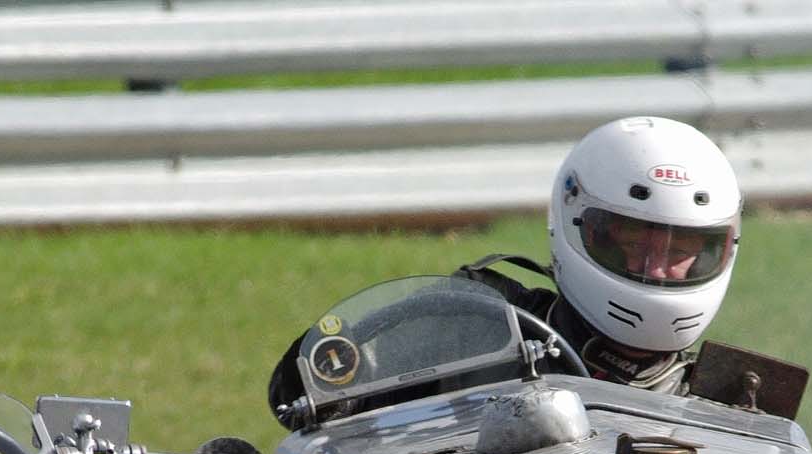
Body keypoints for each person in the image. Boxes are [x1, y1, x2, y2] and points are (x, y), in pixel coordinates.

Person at [267, 116, 741, 409]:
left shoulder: (735, 401)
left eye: (680, 251)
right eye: (635, 242)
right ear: (575, 225)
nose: (657, 270)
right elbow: (300, 395)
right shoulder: (474, 328)